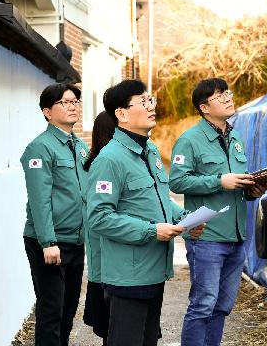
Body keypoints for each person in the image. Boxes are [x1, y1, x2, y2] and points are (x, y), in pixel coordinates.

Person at [86, 80, 204, 346]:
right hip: (129, 275)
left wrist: (184, 219)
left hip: (154, 270)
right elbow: (99, 217)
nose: (152, 107)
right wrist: (152, 230)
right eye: (143, 102)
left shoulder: (148, 151)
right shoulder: (110, 159)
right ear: (122, 114)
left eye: (151, 100)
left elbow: (159, 200)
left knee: (148, 340)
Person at [169, 78, 267, 346]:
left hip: (236, 236)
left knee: (222, 306)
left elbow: (236, 184)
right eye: (219, 96)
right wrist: (218, 181)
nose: (227, 98)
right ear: (204, 107)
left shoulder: (234, 137)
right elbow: (176, 181)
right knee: (203, 304)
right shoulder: (189, 140)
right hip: (207, 236)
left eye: (227, 93)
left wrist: (251, 190)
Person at [20, 83, 89, 346]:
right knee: (51, 313)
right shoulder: (40, 148)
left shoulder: (79, 146)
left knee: (68, 313)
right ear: (47, 112)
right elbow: (39, 199)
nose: (72, 107)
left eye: (75, 102)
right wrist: (48, 242)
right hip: (49, 243)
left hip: (75, 240)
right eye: (65, 102)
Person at [82, 111, 116, 345]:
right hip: (110, 264)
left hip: (100, 263)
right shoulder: (105, 166)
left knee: (111, 332)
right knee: (115, 330)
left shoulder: (90, 165)